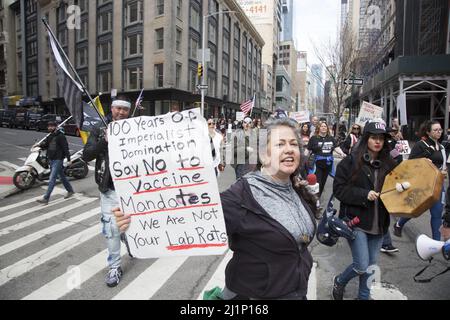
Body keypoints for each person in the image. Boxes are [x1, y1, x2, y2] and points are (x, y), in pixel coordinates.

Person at [114, 118, 317, 299]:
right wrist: (134, 226)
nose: (289, 149)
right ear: (264, 155)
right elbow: (185, 225)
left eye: (293, 144)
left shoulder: (296, 188)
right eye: (280, 144)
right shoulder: (242, 196)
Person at [332, 121, 396, 300]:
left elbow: (402, 186)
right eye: (374, 137)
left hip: (379, 224)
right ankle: (340, 281)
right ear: (366, 138)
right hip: (356, 221)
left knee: (370, 266)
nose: (378, 142)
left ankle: (363, 297)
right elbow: (339, 189)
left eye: (381, 138)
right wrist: (364, 194)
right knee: (361, 265)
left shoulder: (389, 163)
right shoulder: (350, 161)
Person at [82, 97, 131, 287]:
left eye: (125, 110)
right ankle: (114, 267)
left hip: (134, 191)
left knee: (132, 226)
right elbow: (87, 155)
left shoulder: (138, 128)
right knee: (112, 231)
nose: (121, 112)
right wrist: (105, 141)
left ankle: (134, 244)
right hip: (110, 190)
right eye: (118, 108)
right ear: (111, 108)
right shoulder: (99, 129)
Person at [393, 120, 447, 241]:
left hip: (438, 185)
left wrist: (444, 172)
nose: (439, 132)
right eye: (435, 130)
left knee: (437, 213)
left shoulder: (442, 147)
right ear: (428, 132)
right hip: (424, 184)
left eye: (440, 130)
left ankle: (435, 243)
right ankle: (399, 223)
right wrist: (424, 162)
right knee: (418, 208)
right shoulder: (420, 145)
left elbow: (442, 164)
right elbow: (411, 163)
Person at [37, 121, 74, 205]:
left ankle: (46, 198)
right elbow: (45, 145)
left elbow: (65, 148)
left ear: (55, 127)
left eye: (51, 126)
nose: (49, 128)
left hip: (58, 160)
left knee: (52, 178)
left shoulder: (61, 136)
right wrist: (38, 145)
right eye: (49, 126)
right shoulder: (50, 136)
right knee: (62, 177)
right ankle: (70, 191)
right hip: (51, 159)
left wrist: (69, 159)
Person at [307, 121, 338, 197]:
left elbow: (336, 147)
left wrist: (343, 154)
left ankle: (317, 199)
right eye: (322, 126)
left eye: (325, 126)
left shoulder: (331, 138)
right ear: (318, 128)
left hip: (328, 164)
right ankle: (314, 199)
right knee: (318, 183)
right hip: (317, 164)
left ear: (327, 128)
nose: (324, 127)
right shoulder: (314, 138)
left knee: (323, 184)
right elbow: (308, 150)